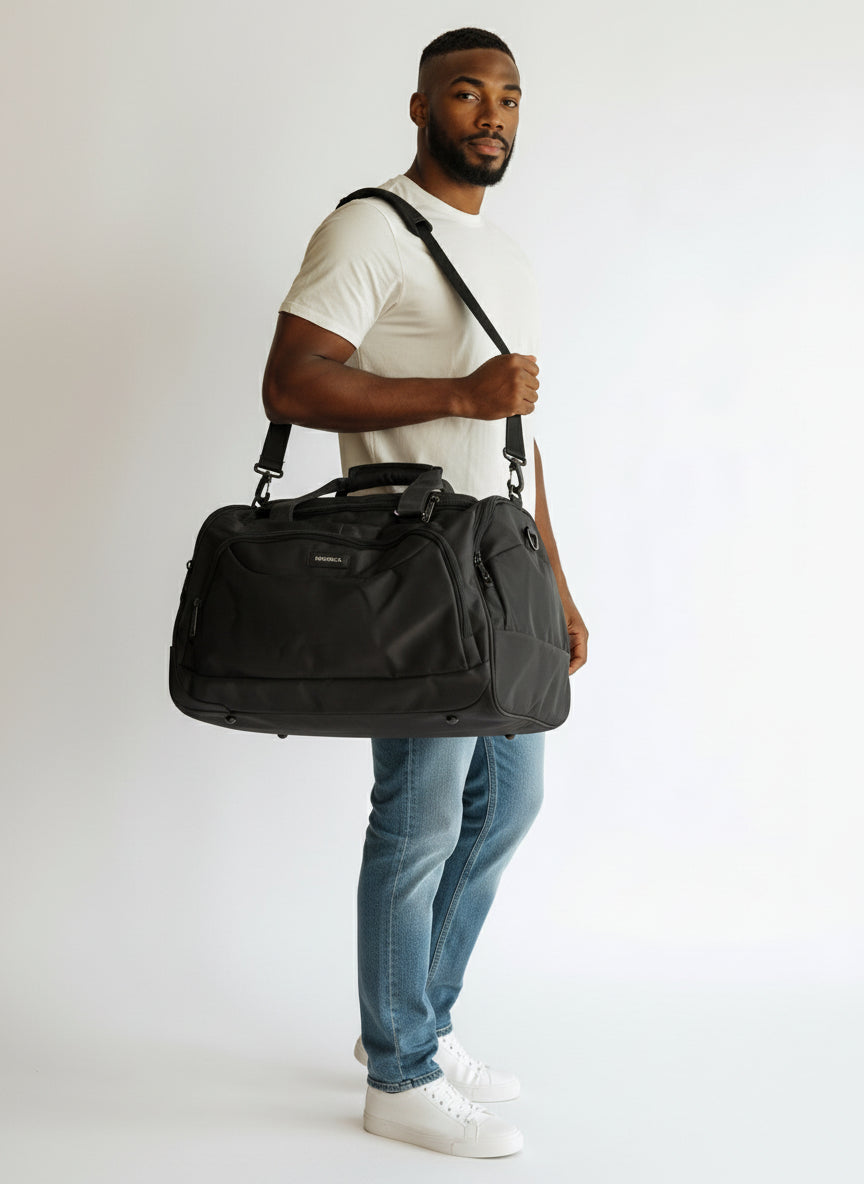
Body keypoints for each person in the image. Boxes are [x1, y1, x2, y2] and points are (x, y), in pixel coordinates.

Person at [263, 27, 588, 1158]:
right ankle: (396, 1071)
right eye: (467, 92)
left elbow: (515, 430)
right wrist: (458, 387)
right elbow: (291, 380)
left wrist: (555, 578)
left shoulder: (508, 258)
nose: (491, 113)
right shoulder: (370, 226)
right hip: (413, 563)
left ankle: (415, 1023)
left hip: (499, 566)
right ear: (420, 108)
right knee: (418, 817)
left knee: (511, 801)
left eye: (508, 96)